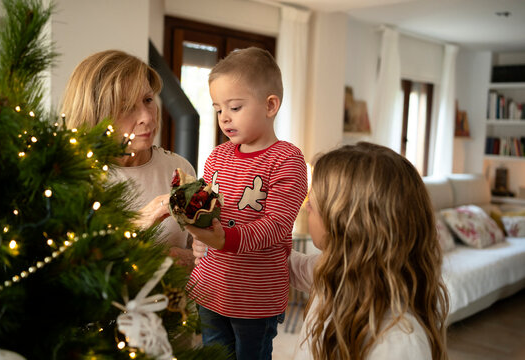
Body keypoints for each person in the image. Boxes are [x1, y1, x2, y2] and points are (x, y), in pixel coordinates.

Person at [184, 47, 308, 359]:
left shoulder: (286, 160)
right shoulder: (217, 156)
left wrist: (224, 238)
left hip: (255, 297)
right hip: (210, 287)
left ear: (270, 105)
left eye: (235, 107)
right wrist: (198, 237)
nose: (224, 117)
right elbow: (205, 212)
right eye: (217, 109)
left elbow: (276, 226)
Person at [287, 142, 449, 360]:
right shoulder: (334, 271)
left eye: (313, 203)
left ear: (348, 223)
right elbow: (288, 265)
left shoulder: (399, 342)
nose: (307, 206)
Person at [60, 50, 196, 268]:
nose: (147, 117)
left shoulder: (179, 168)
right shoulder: (73, 178)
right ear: (95, 114)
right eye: (126, 106)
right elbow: (66, 267)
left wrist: (191, 259)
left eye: (148, 100)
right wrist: (136, 224)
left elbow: (203, 250)